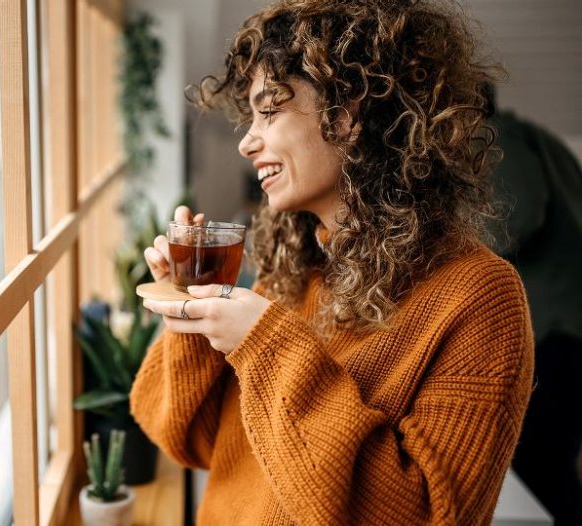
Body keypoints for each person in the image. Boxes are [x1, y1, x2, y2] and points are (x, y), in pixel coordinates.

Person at [130, 1, 534, 524]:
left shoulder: (481, 299)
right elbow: (201, 446)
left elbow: (423, 515)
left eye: (269, 110)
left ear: (346, 115)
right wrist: (190, 313)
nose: (248, 142)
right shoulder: (296, 269)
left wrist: (268, 348)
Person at [485, 97, 582, 524]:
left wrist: (444, 255)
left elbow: (518, 213)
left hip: (553, 332)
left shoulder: (496, 139)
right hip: (570, 326)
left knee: (539, 469)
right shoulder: (544, 139)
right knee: (552, 469)